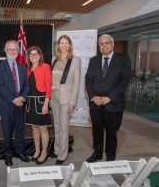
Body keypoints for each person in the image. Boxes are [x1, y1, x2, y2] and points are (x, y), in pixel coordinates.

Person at [85, 34, 131, 162]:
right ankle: (97, 154)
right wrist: (93, 97)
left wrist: (109, 97)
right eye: (101, 44)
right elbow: (88, 81)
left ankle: (110, 158)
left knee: (112, 133)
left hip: (114, 104)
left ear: (112, 44)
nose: (104, 46)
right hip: (96, 105)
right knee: (96, 132)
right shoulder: (93, 60)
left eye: (107, 43)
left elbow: (124, 82)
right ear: (99, 46)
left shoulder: (123, 59)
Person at [0, 40, 30, 166]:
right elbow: (0, 85)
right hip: (6, 105)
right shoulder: (0, 66)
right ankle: (8, 154)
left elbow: (26, 86)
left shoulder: (22, 67)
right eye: (9, 49)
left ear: (18, 51)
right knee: (7, 131)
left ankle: (20, 152)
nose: (12, 52)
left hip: (20, 104)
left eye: (15, 49)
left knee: (20, 130)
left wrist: (22, 98)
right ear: (5, 51)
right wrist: (13, 99)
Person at [50, 35, 81, 165]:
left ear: (70, 45)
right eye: (61, 43)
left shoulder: (75, 60)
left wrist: (72, 103)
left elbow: (76, 83)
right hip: (54, 96)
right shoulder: (54, 59)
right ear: (58, 45)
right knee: (56, 125)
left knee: (63, 127)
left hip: (66, 99)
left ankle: (63, 154)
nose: (64, 45)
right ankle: (57, 149)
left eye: (66, 43)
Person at [25, 45, 52, 165]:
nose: (33, 56)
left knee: (43, 129)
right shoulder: (28, 69)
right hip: (30, 102)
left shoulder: (45, 67)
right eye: (31, 54)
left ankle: (44, 152)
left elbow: (48, 87)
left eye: (36, 54)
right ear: (29, 57)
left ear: (40, 55)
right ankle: (36, 151)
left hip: (41, 102)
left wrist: (46, 104)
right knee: (34, 128)